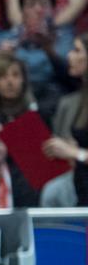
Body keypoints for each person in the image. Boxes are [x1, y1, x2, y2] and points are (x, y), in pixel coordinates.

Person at [43, 35, 88, 204]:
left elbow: (78, 153)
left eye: (77, 50)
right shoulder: (82, 96)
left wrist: (75, 153)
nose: (69, 55)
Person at [0, 51, 43, 125]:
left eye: (15, 75)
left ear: (24, 80)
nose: (10, 82)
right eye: (2, 76)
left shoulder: (39, 114)